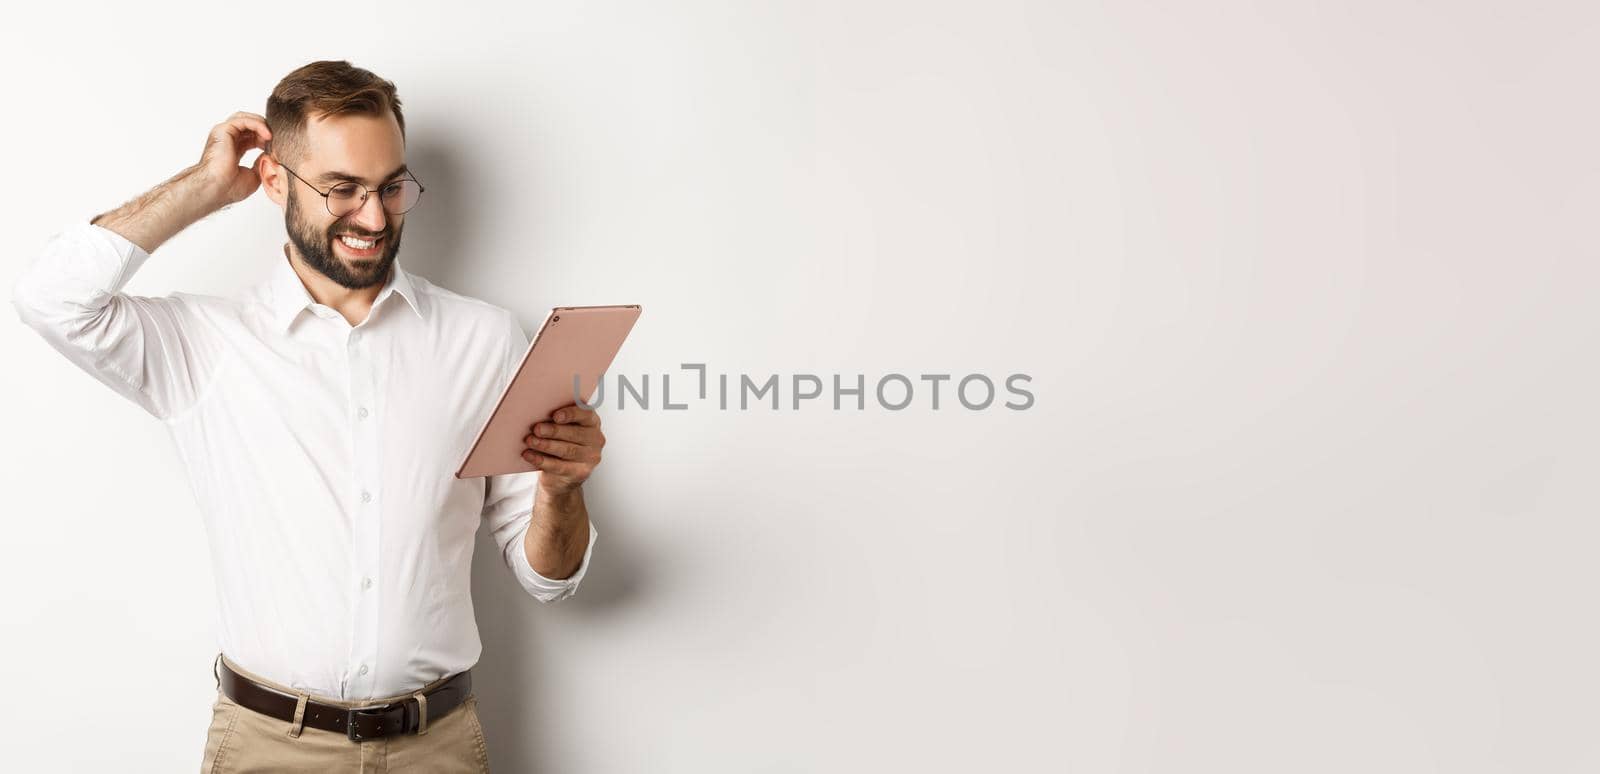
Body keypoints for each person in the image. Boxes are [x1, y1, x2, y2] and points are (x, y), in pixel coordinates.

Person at [10, 60, 605, 772]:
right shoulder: (204, 343)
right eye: (341, 189)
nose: (376, 216)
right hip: (268, 749)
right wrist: (203, 187)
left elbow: (549, 577)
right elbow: (52, 300)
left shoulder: (487, 341)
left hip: (436, 749)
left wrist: (561, 491)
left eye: (392, 186)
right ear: (273, 183)